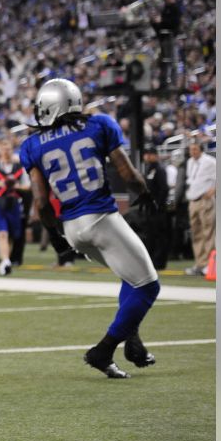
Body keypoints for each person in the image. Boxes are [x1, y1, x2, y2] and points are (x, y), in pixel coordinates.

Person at [21, 78, 162, 379]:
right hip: (100, 217)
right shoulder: (98, 124)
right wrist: (145, 193)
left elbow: (41, 202)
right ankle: (104, 350)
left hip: (73, 227)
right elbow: (126, 172)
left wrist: (56, 237)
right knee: (149, 286)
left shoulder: (32, 144)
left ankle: (133, 341)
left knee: (130, 276)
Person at [0, 139, 30, 276]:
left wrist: (16, 186)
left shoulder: (19, 167)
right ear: (0, 151)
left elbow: (27, 186)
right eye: (4, 149)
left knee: (14, 234)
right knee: (2, 233)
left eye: (9, 149)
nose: (6, 152)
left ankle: (7, 258)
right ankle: (5, 262)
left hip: (14, 203)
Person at [184, 139, 216, 276]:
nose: (192, 152)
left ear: (201, 149)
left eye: (195, 149)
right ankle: (200, 263)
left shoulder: (210, 161)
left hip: (205, 200)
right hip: (193, 200)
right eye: (191, 149)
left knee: (208, 232)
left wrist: (214, 190)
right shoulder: (190, 162)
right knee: (196, 233)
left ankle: (210, 265)